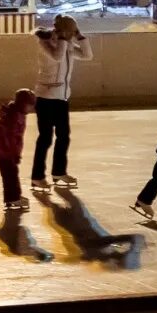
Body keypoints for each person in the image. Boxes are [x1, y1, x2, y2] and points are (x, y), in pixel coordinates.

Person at [31, 14, 92, 191]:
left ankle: (58, 172)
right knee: (45, 138)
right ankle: (37, 176)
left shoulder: (68, 44)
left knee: (64, 136)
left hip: (62, 97)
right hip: (46, 97)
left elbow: (87, 55)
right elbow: (57, 57)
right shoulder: (45, 43)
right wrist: (65, 39)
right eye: (71, 31)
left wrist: (80, 36)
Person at [0, 88, 36, 210]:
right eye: (29, 106)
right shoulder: (14, 117)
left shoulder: (15, 112)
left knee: (9, 175)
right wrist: (14, 154)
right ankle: (14, 198)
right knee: (11, 175)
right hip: (5, 151)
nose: (31, 109)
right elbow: (10, 138)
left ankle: (11, 198)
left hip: (1, 149)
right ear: (22, 104)